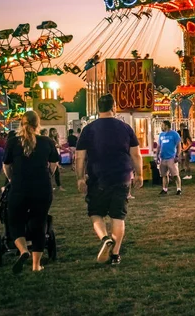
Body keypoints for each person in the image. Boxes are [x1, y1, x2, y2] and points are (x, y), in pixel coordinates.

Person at [75, 94, 144, 265]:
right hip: (122, 176)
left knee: (95, 213)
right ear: (114, 107)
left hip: (98, 178)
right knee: (118, 217)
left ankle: (105, 238)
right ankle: (115, 254)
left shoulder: (88, 129)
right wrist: (140, 174)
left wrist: (80, 178)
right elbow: (136, 154)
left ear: (98, 108)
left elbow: (80, 157)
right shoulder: (125, 128)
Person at [3, 111, 60, 273]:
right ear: (38, 124)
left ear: (22, 123)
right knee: (39, 223)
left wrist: (12, 179)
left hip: (20, 187)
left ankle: (23, 251)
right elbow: (54, 163)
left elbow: (6, 165)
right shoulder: (47, 141)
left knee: (15, 221)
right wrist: (48, 173)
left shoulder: (13, 142)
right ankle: (36, 265)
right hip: (42, 188)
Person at [157, 121, 182, 195]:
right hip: (163, 158)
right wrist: (157, 156)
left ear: (167, 126)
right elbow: (159, 146)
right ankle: (164, 189)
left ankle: (178, 189)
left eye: (162, 125)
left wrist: (177, 155)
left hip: (172, 158)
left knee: (175, 174)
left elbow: (179, 145)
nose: (161, 126)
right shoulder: (161, 135)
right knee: (164, 175)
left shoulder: (174, 134)